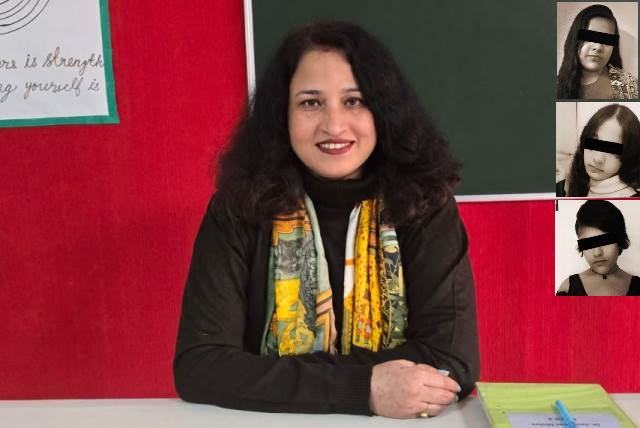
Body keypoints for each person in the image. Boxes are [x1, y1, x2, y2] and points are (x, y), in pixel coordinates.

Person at [173, 21, 479, 419]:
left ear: (384, 112)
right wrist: (364, 388)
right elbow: (201, 367)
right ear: (281, 115)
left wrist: (270, 378)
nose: (334, 125)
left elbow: (451, 362)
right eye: (310, 103)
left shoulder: (425, 206)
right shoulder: (239, 209)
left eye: (354, 101)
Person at [557, 200, 640, 296]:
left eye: (605, 241)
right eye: (588, 244)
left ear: (619, 241)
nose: (597, 253)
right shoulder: (567, 288)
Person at [556, 104, 640, 197]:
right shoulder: (579, 182)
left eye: (611, 149)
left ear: (629, 155)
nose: (598, 158)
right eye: (594, 143)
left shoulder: (631, 199)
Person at [557, 4, 638, 99]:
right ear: (575, 39)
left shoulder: (630, 86)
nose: (598, 47)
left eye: (607, 40)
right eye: (590, 37)